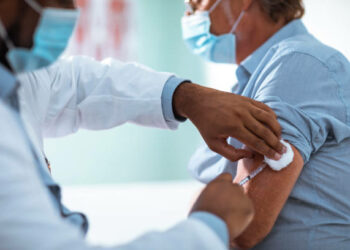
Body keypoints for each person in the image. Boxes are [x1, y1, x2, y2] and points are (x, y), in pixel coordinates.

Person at [0, 0, 286, 249]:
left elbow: (75, 83)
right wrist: (207, 228)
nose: (69, 14)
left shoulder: (18, 75)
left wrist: (184, 96)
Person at [185, 0, 350, 249]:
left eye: (197, 3)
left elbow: (244, 225)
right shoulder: (253, 81)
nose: (189, 13)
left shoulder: (296, 64)